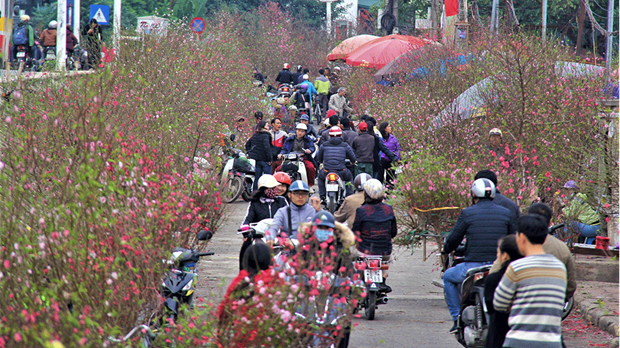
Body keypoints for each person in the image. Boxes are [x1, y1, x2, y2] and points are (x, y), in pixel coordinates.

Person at [441, 178, 514, 333]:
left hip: (473, 267)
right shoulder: (506, 213)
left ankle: (456, 318)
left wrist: (447, 248)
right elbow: (513, 239)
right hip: (498, 266)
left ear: (473, 193)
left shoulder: (468, 213)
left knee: (448, 277)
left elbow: (454, 239)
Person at [493, 214, 567, 348]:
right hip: (552, 342)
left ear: (521, 238)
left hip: (519, 341)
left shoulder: (516, 267)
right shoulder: (560, 268)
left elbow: (499, 303)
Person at [351, 179, 397, 293]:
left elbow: (355, 232)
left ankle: (356, 279)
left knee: (351, 255)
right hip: (385, 251)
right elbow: (393, 232)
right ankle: (383, 279)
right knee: (387, 261)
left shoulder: (361, 210)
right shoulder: (388, 209)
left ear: (366, 194)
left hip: (364, 251)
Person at [527, 203, 577, 301]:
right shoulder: (562, 248)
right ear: (550, 222)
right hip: (553, 305)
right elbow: (571, 284)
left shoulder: (518, 244)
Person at [239, 175, 287, 270]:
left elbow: (288, 218)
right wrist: (245, 232)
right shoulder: (254, 202)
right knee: (245, 247)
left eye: (274, 188)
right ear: (263, 189)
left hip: (278, 236)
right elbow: (248, 219)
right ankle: (244, 274)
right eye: (271, 188)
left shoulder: (281, 201)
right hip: (260, 236)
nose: (274, 190)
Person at [483, 235, 523, 348]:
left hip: (499, 334)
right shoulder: (530, 276)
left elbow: (491, 307)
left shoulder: (494, 279)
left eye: (498, 252)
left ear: (504, 255)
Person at [316, 126, 356, 202]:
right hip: (341, 171)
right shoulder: (345, 145)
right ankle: (349, 197)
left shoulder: (324, 145)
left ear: (329, 136)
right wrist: (353, 162)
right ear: (340, 135)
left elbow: (319, 159)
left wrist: (322, 161)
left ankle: (322, 196)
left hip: (327, 170)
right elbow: (353, 158)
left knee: (320, 177)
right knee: (349, 177)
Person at [245, 120, 272, 191]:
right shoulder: (266, 135)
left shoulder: (255, 135)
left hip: (256, 160)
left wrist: (250, 153)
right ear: (263, 127)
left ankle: (255, 193)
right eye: (267, 125)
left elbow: (247, 145)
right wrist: (269, 159)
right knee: (267, 178)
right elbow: (267, 148)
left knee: (257, 177)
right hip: (265, 160)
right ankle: (266, 192)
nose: (268, 127)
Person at [378, 122, 400, 188]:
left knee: (390, 179)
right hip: (381, 160)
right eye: (389, 126)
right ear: (384, 128)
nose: (390, 128)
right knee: (380, 177)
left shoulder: (393, 138)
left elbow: (398, 149)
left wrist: (397, 158)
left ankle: (389, 193)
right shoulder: (379, 138)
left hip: (391, 160)